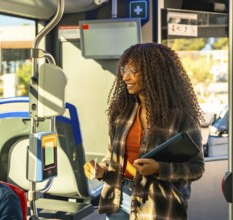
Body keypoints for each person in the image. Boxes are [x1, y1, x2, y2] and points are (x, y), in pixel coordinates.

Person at [84, 43, 205, 220]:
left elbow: (196, 168)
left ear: (154, 73)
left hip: (158, 204)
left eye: (133, 70)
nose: (125, 77)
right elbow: (112, 157)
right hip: (118, 199)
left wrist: (159, 168)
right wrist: (100, 170)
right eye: (124, 69)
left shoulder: (181, 116)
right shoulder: (121, 114)